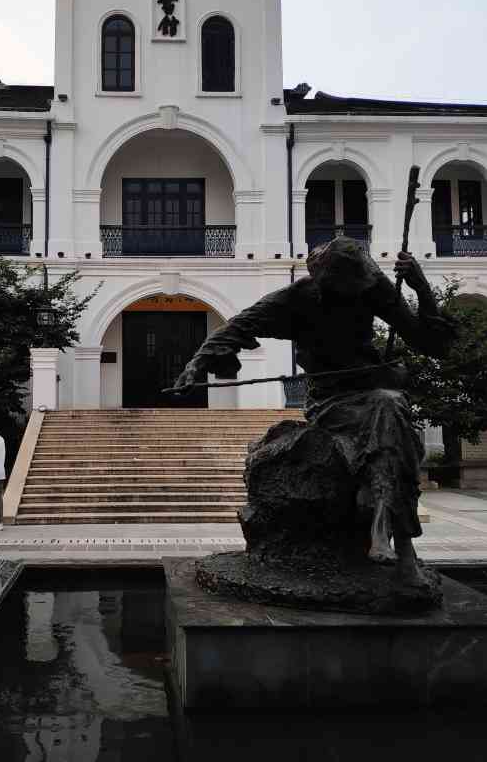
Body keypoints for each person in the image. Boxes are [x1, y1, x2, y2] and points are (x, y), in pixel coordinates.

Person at [173, 238, 455, 581]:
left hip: (372, 388)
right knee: (390, 411)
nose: (358, 295)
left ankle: (388, 533)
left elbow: (430, 343)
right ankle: (401, 546)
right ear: (327, 283)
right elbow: (237, 327)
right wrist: (195, 365)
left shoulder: (373, 288)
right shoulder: (296, 299)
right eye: (349, 289)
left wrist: (421, 287)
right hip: (331, 401)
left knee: (390, 408)